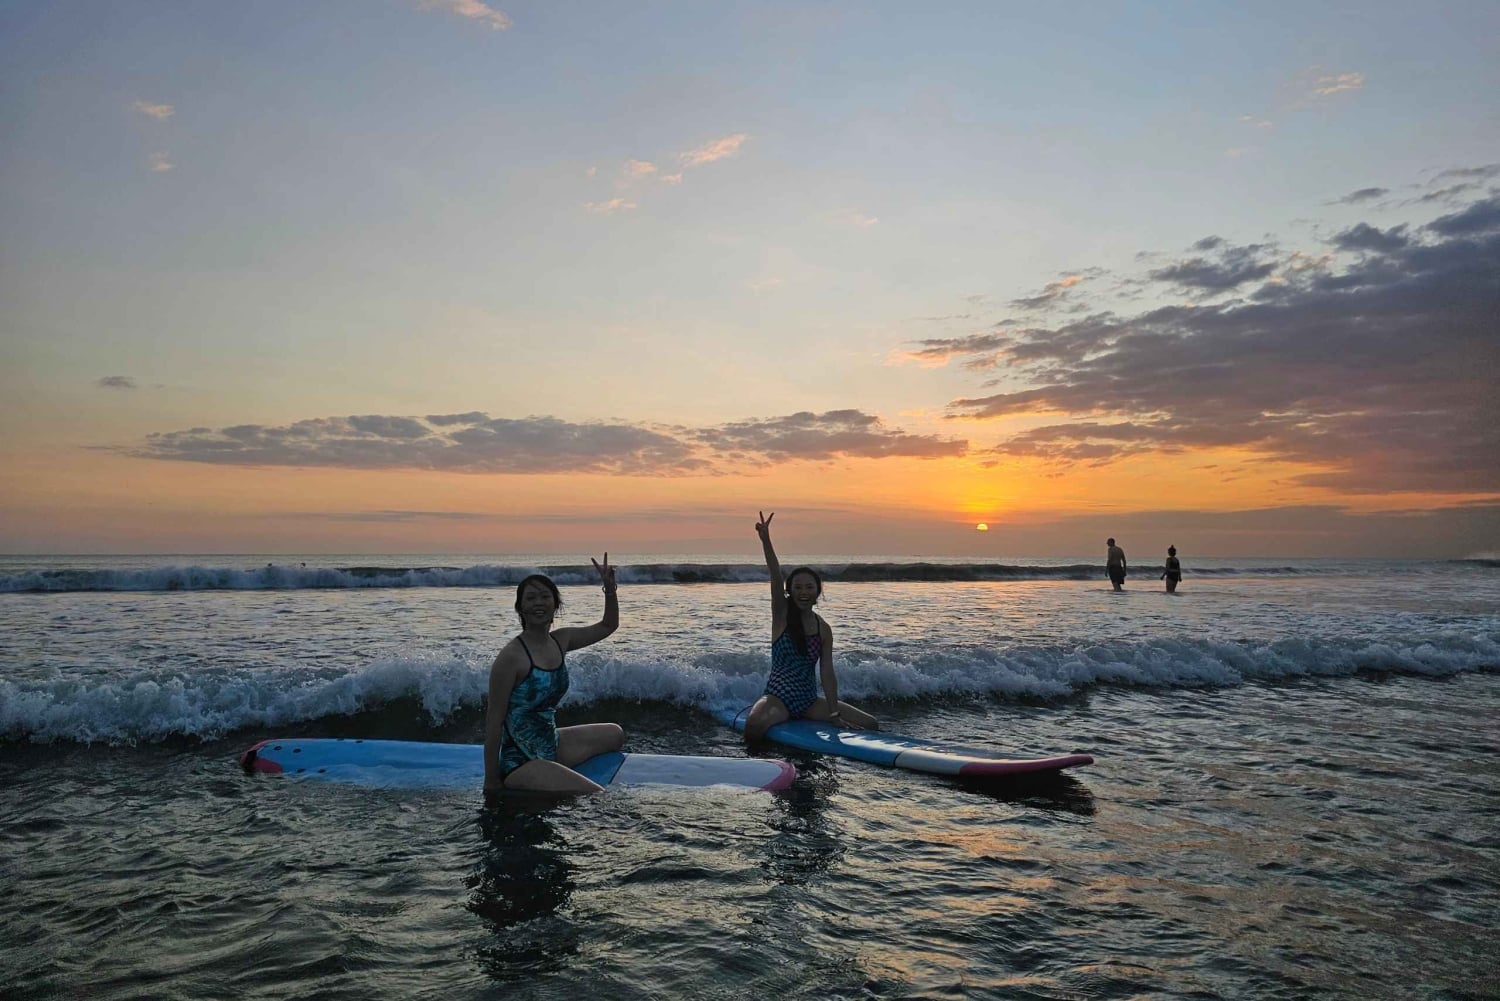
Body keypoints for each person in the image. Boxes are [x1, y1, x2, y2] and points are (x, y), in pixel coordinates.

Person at [483, 555, 623, 796]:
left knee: (615, 734)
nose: (539, 603)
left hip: (551, 744)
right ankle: (533, 777)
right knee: (595, 794)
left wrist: (610, 590)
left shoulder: (560, 640)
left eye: (545, 597)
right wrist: (491, 780)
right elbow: (493, 722)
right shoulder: (511, 658)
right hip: (521, 762)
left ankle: (553, 769)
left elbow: (608, 626)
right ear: (520, 608)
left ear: (556, 605)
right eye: (531, 598)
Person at [742, 511, 877, 742]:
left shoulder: (823, 629)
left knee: (870, 723)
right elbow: (775, 575)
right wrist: (766, 540)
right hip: (778, 699)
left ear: (817, 591)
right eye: (798, 587)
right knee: (754, 724)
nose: (803, 592)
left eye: (809, 587)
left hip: (809, 702)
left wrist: (834, 713)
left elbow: (827, 673)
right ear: (790, 591)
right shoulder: (782, 615)